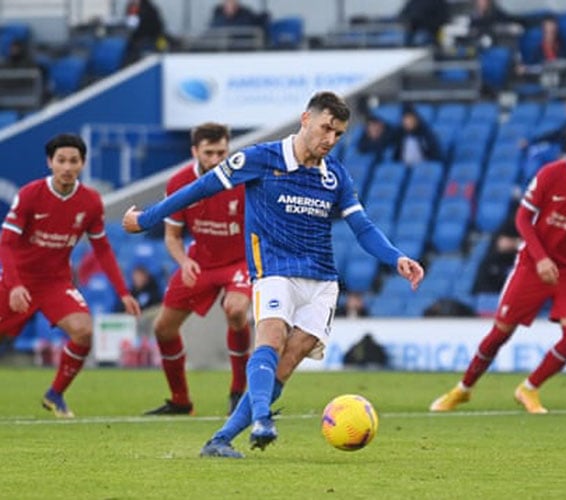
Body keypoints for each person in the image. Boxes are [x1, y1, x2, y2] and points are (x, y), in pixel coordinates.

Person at [122, 91, 424, 457]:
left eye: (339, 134)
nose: (330, 139)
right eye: (326, 128)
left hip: (323, 281)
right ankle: (263, 418)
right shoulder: (259, 159)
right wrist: (146, 219)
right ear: (305, 119)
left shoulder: (335, 177)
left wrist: (396, 258)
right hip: (274, 269)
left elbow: (362, 227)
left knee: (290, 359)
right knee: (272, 334)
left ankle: (220, 440)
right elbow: (199, 188)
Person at [430, 118, 566, 414]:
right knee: (500, 333)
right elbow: (522, 219)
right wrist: (540, 257)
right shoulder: (550, 175)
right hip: (533, 263)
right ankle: (462, 389)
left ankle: (529, 388)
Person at [0, 134, 141, 418]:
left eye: (73, 161)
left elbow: (102, 249)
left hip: (55, 283)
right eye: (61, 160)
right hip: (17, 280)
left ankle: (55, 395)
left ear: (83, 163)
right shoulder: (30, 194)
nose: (67, 167)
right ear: (50, 162)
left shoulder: (90, 201)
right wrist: (14, 285)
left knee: (84, 331)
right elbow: (6, 242)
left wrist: (123, 292)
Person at [140, 122, 252, 417]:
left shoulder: (241, 180)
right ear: (195, 151)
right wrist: (184, 262)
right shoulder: (179, 182)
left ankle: (239, 390)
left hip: (239, 262)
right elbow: (172, 236)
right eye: (209, 153)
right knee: (163, 328)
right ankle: (180, 401)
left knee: (237, 311)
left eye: (222, 152)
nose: (216, 160)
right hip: (199, 263)